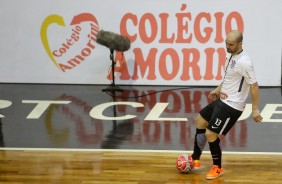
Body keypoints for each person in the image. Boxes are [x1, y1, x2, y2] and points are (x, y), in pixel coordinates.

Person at [191, 30, 263, 180]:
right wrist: (218, 90)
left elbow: (254, 85)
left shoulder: (245, 62)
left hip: (232, 105)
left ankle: (217, 168)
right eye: (226, 43)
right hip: (222, 100)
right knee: (200, 120)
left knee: (210, 133)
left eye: (230, 44)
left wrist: (255, 109)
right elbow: (229, 78)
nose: (227, 46)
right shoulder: (230, 55)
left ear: (240, 44)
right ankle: (195, 159)